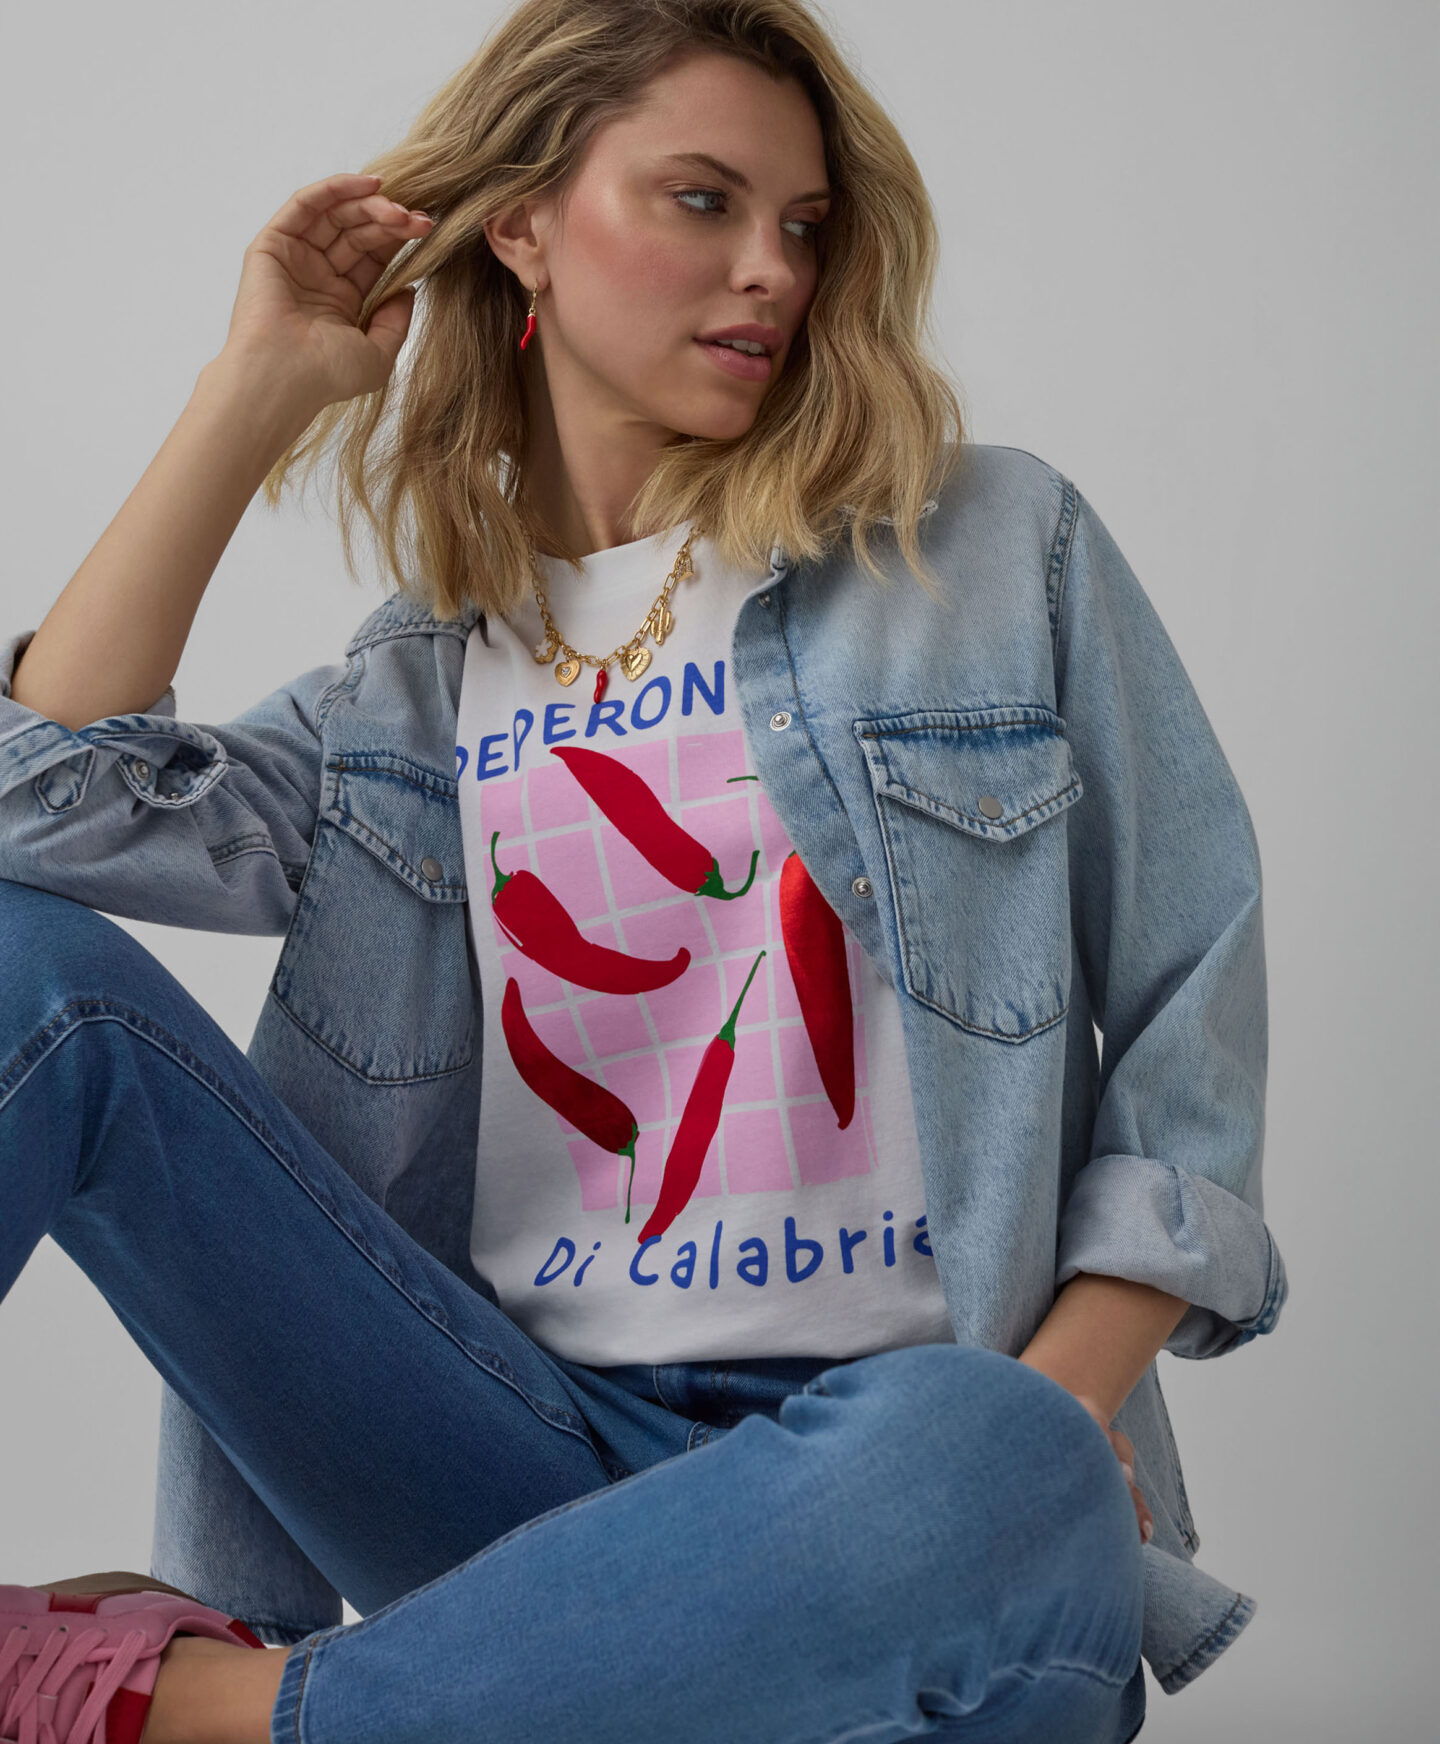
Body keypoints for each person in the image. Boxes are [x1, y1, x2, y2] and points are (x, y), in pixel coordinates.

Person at [0, 2, 1287, 1741]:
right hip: (522, 1485)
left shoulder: (985, 551)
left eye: (804, 224)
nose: (772, 269)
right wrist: (255, 393)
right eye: (702, 200)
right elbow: (36, 807)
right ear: (522, 222)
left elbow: (1193, 1031)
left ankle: (204, 1716)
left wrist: (1059, 1421)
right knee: (31, 980)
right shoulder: (413, 689)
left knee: (980, 1440)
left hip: (910, 1512)